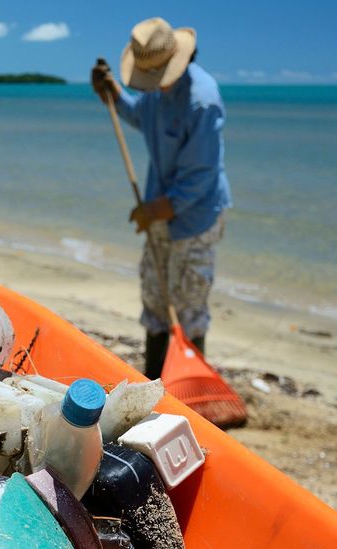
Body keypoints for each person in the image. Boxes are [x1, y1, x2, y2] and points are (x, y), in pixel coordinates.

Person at [91, 17, 232, 380]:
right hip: (158, 212)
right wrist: (113, 95)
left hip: (194, 219)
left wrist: (154, 209)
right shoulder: (156, 92)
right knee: (155, 299)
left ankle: (189, 385)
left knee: (188, 305)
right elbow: (141, 115)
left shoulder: (202, 100)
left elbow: (200, 177)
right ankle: (154, 379)